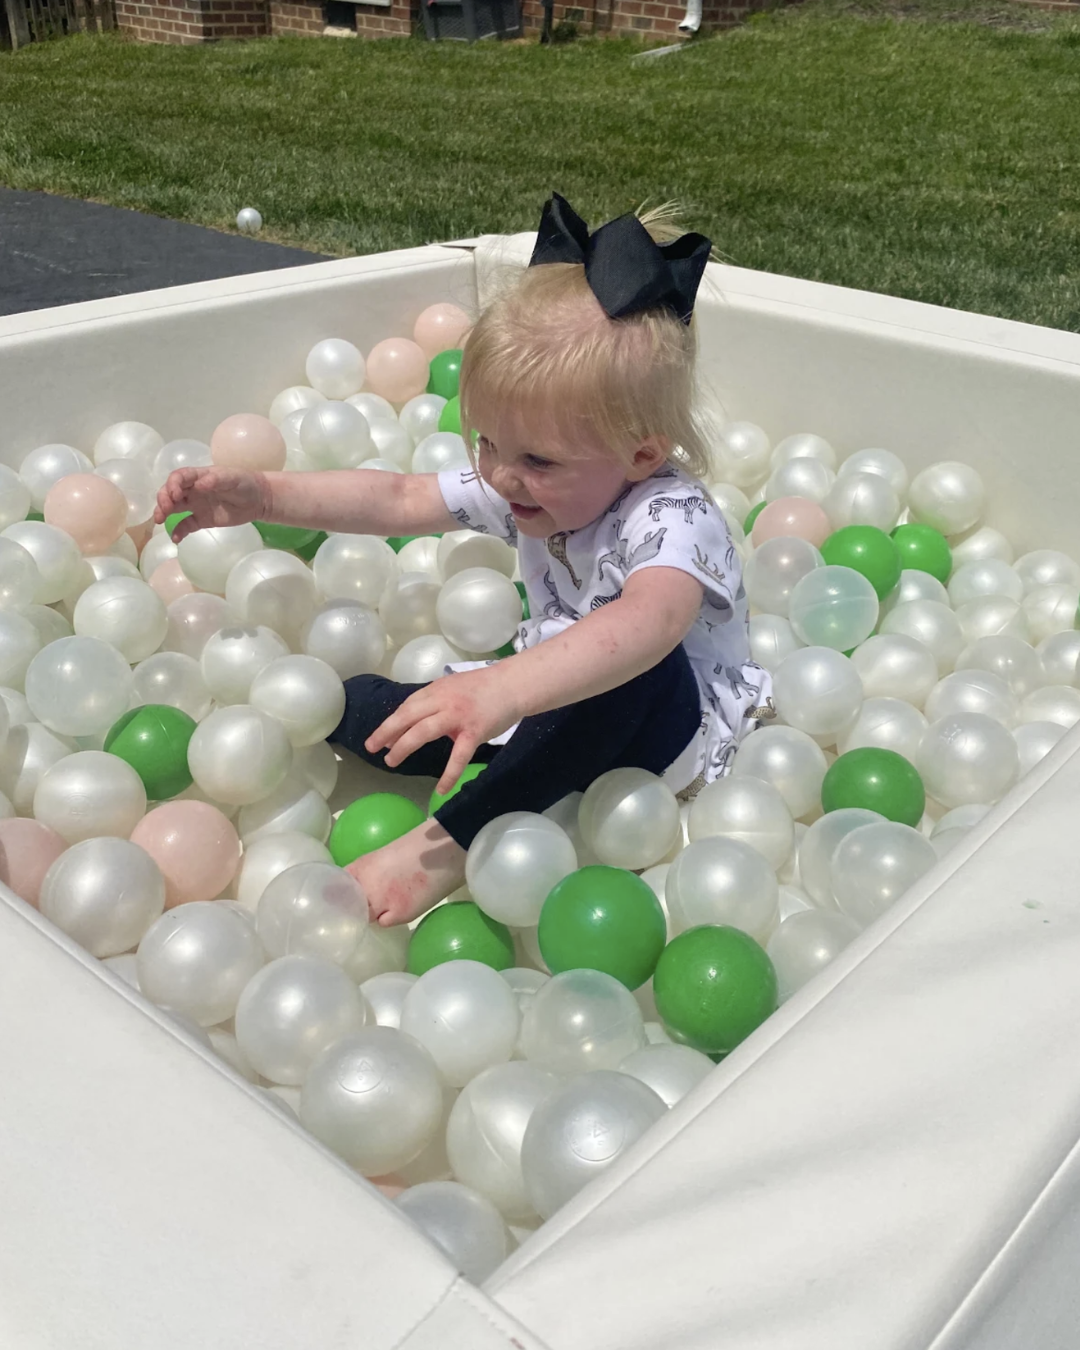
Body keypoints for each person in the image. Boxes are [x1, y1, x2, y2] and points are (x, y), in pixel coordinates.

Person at [155, 193, 772, 928]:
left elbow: (649, 622)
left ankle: (450, 844)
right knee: (360, 710)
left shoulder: (672, 515)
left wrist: (503, 687)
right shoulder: (534, 486)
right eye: (487, 442)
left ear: (640, 453)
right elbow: (398, 499)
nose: (502, 476)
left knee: (632, 673)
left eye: (537, 459)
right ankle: (517, 765)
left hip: (669, 733)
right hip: (546, 703)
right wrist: (263, 495)